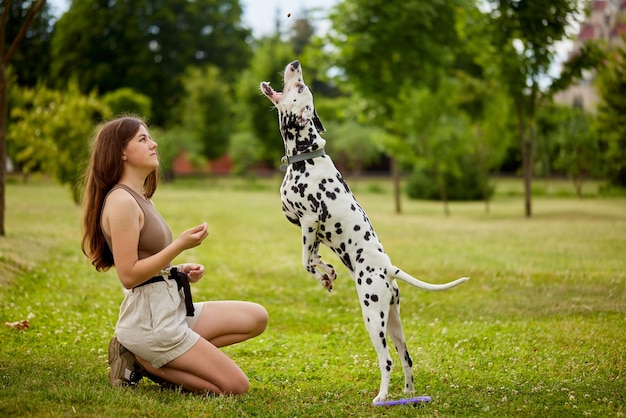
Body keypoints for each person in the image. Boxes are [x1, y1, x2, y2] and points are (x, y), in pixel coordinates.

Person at [81, 116, 268, 395]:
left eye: (149, 137)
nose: (153, 144)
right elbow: (129, 275)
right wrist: (179, 245)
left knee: (256, 317)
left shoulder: (141, 197)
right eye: (142, 139)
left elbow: (147, 263)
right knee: (235, 387)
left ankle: (150, 357)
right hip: (151, 322)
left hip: (170, 310)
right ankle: (145, 361)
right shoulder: (121, 202)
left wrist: (177, 270)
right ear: (121, 152)